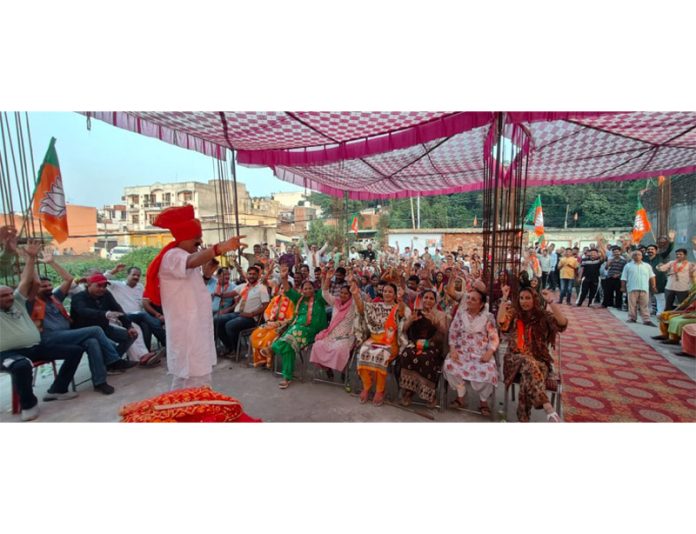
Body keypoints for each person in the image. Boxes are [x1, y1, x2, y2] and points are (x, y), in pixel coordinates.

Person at [143, 204, 246, 390]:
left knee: (197, 378)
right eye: (196, 242)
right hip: (187, 330)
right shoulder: (173, 256)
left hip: (195, 327)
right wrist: (219, 248)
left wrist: (206, 275)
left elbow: (190, 288)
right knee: (188, 380)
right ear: (183, 238)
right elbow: (191, 261)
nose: (198, 246)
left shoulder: (181, 256)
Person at [0, 239, 83, 421]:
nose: (8, 297)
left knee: (75, 350)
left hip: (34, 348)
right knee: (21, 365)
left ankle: (58, 389)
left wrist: (30, 257)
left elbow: (26, 281)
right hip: (7, 354)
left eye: (9, 294)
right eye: (3, 296)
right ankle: (29, 405)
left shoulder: (19, 302)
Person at [498, 285, 567, 422]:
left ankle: (523, 418)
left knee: (528, 376)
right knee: (528, 363)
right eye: (522, 298)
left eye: (528, 298)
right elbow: (501, 323)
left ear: (535, 299)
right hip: (514, 359)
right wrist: (504, 299)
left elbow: (562, 324)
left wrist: (551, 302)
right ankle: (548, 408)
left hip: (539, 361)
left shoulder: (543, 316)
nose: (524, 301)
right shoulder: (515, 314)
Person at [351, 280, 410, 406]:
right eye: (385, 291)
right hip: (373, 339)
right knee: (362, 352)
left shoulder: (398, 306)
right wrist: (356, 294)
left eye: (390, 292)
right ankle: (366, 386)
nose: (387, 294)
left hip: (390, 342)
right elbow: (362, 309)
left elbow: (404, 314)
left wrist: (401, 301)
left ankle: (379, 390)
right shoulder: (376, 306)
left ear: (395, 294)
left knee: (380, 355)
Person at [443, 286, 499, 416]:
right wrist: (452, 349)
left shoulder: (487, 317)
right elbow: (453, 332)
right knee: (449, 364)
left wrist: (489, 352)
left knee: (488, 370)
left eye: (473, 299)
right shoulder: (461, 314)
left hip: (480, 353)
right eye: (468, 298)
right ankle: (460, 397)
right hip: (462, 351)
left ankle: (483, 402)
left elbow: (494, 337)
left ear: (481, 304)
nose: (469, 301)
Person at [270, 265, 328, 389]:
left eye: (310, 288)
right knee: (288, 347)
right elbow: (288, 291)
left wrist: (324, 277)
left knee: (284, 343)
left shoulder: (319, 299)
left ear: (314, 289)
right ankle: (286, 377)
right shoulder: (299, 300)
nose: (307, 290)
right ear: (301, 291)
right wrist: (284, 278)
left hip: (312, 331)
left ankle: (272, 349)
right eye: (305, 289)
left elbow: (324, 290)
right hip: (295, 329)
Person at [105, 264, 165, 365]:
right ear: (127, 275)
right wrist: (113, 271)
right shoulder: (117, 285)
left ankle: (145, 355)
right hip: (124, 316)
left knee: (145, 325)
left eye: (138, 275)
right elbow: (102, 280)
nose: (136, 277)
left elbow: (143, 302)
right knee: (144, 317)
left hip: (136, 317)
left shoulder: (140, 287)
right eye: (133, 275)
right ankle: (164, 342)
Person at [397, 289, 448, 408]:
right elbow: (404, 329)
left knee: (426, 358)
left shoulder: (440, 314)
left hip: (433, 346)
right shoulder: (416, 312)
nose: (428, 301)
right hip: (415, 344)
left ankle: (429, 394)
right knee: (406, 354)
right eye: (426, 298)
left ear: (435, 301)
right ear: (421, 299)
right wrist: (410, 320)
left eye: (431, 298)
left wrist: (436, 324)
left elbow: (445, 333)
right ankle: (409, 391)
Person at [70, 273, 139, 357]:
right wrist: (105, 314)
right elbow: (83, 311)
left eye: (104, 286)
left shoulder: (106, 294)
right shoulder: (78, 297)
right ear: (89, 285)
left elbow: (117, 309)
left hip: (104, 328)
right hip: (86, 332)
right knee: (109, 345)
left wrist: (129, 326)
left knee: (132, 335)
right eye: (99, 286)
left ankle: (113, 361)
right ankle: (114, 361)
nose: (102, 289)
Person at [309, 268, 356, 378]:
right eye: (341, 293)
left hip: (346, 336)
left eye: (346, 294)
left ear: (350, 295)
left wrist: (351, 283)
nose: (343, 295)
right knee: (318, 345)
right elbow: (325, 293)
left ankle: (344, 372)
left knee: (339, 349)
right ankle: (327, 368)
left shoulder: (353, 305)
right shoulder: (336, 302)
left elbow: (356, 297)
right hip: (332, 334)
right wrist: (328, 279)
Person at [216, 266, 269, 356]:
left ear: (258, 276)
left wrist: (252, 314)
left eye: (254, 274)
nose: (251, 276)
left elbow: (266, 305)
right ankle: (229, 347)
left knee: (230, 325)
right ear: (247, 275)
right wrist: (218, 294)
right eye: (250, 274)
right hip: (238, 313)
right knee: (217, 320)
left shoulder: (262, 288)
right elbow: (229, 294)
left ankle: (236, 351)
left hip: (250, 318)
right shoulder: (243, 286)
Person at [250, 280, 296, 368]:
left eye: (286, 288)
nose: (283, 290)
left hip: (283, 327)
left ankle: (268, 359)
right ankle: (261, 360)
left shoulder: (293, 301)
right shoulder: (275, 299)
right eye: (282, 288)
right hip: (270, 324)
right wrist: (268, 321)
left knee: (269, 338)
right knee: (255, 335)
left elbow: (292, 318)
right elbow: (266, 312)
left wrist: (278, 323)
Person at [621, 250, 657, 326]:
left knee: (645, 305)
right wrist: (623, 287)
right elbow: (623, 278)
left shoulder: (647, 266)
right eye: (635, 255)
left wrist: (653, 286)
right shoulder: (628, 266)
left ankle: (646, 320)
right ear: (632, 256)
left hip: (644, 288)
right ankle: (632, 318)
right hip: (632, 288)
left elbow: (652, 276)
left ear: (642, 256)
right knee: (632, 304)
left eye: (639, 255)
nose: (637, 256)